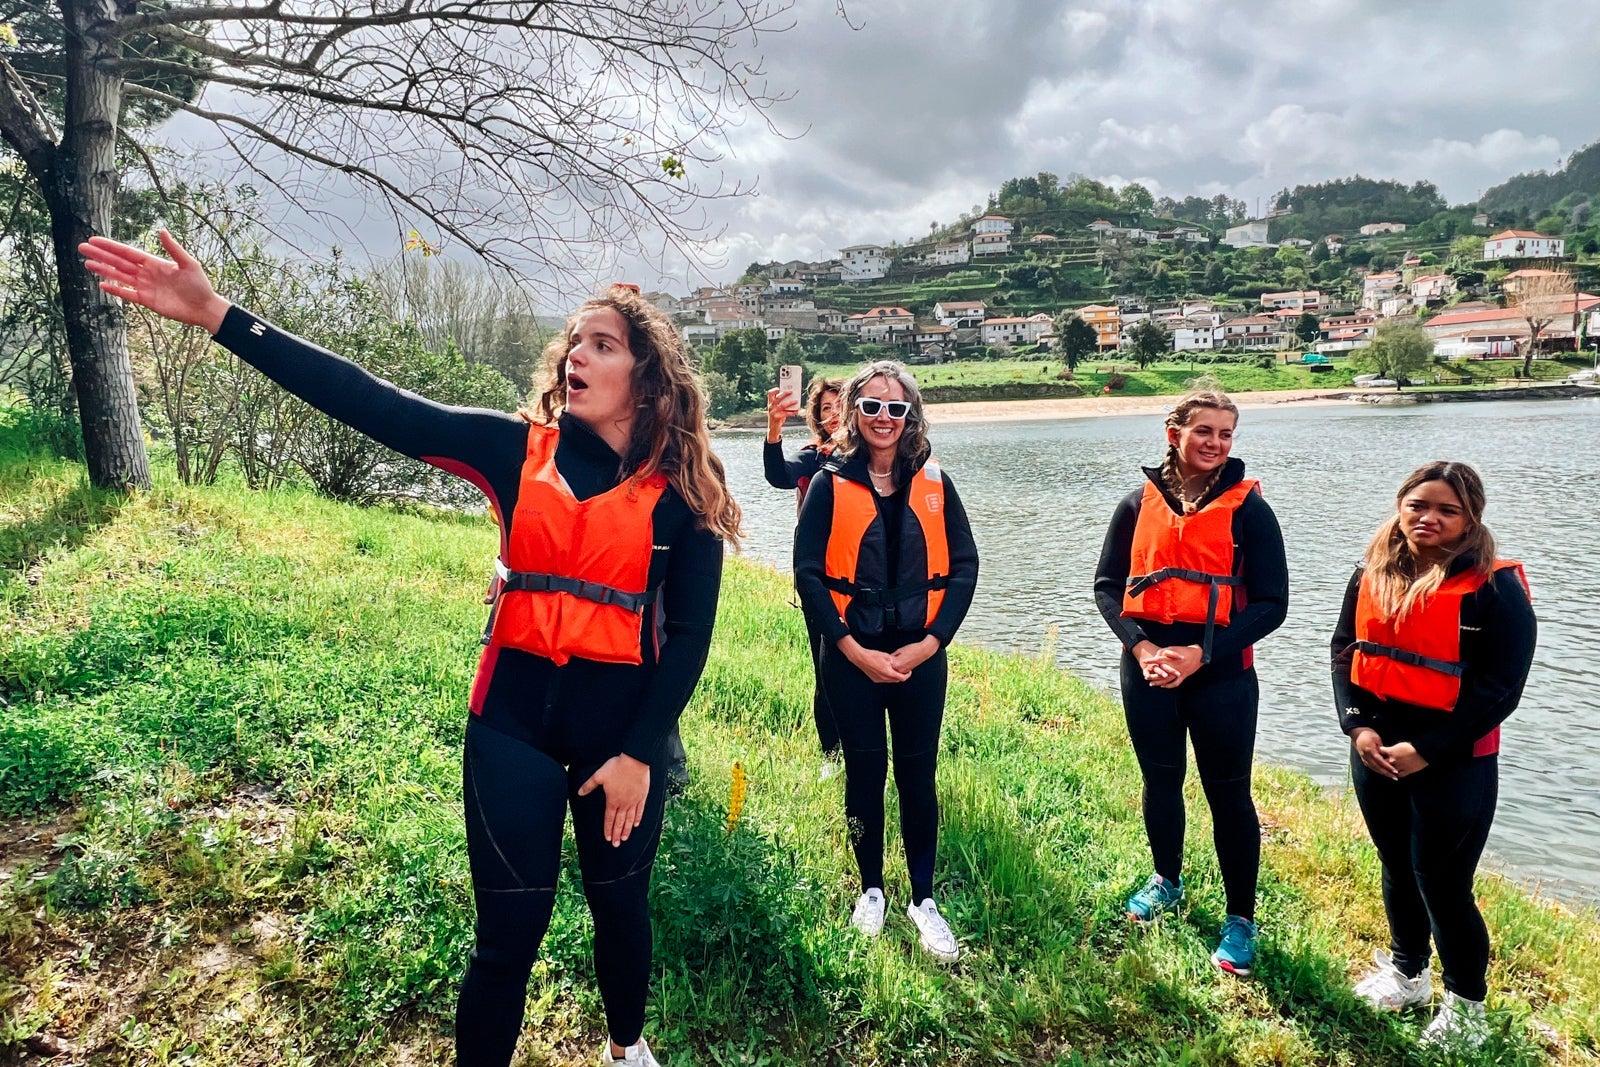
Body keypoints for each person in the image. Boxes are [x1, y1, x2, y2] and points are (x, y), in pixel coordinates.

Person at [80, 231, 742, 1067]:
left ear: (647, 380)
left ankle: (625, 1046)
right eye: (574, 340)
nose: (578, 354)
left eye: (602, 344)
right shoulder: (515, 452)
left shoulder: (684, 495)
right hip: (509, 728)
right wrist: (219, 316)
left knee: (621, 907)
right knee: (506, 939)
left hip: (618, 736)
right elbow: (374, 401)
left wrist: (641, 754)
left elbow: (689, 641)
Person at [1332, 461, 1535, 1049]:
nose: (1429, 519)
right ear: (1401, 504)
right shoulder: (1369, 572)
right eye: (1419, 505)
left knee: (1444, 882)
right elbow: (1344, 651)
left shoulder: (1495, 589)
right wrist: (1357, 728)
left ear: (1471, 519)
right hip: (1375, 749)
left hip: (1454, 759)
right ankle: (1407, 974)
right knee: (1397, 866)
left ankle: (1467, 1007)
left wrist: (1428, 749)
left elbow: (1501, 689)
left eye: (1448, 510)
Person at [1092, 385, 1287, 977]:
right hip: (1148, 670)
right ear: (1174, 434)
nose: (1215, 443)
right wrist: (1145, 647)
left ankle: (1240, 920)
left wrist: (1201, 654)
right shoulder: (1134, 505)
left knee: (1229, 794)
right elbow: (1106, 588)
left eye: (1226, 434)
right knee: (1161, 781)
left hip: (1221, 675)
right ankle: (1167, 880)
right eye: (1205, 431)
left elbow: (1272, 605)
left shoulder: (1250, 510)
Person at [792, 360, 978, 962]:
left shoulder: (936, 484)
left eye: (895, 408)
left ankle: (922, 899)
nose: (883, 418)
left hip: (921, 656)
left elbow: (966, 568)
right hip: (851, 657)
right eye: (871, 406)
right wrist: (852, 649)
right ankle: (871, 888)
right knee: (865, 773)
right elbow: (810, 576)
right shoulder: (827, 485)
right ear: (853, 413)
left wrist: (932, 643)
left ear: (911, 416)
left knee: (918, 776)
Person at [762, 376, 846, 775]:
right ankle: (832, 756)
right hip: (819, 579)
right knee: (827, 665)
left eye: (841, 405)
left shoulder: (880, 454)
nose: (834, 415)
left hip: (867, 579)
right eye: (826, 409)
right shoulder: (814, 457)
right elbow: (778, 473)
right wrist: (775, 427)